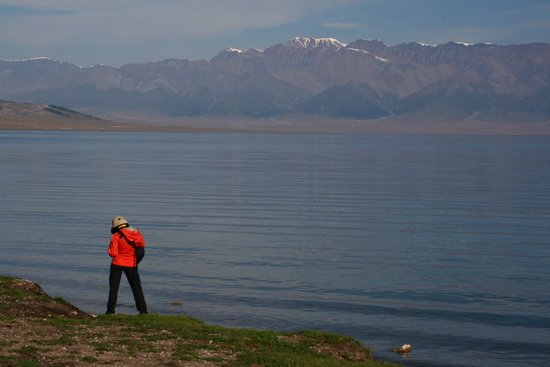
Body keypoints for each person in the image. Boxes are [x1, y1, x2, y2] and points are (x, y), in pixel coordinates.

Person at [106, 215, 148, 314]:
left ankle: (110, 311)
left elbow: (113, 253)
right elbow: (141, 249)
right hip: (131, 264)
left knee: (114, 289)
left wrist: (109, 249)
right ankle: (143, 311)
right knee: (136, 288)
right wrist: (135, 262)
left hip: (117, 264)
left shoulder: (116, 236)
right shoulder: (137, 234)